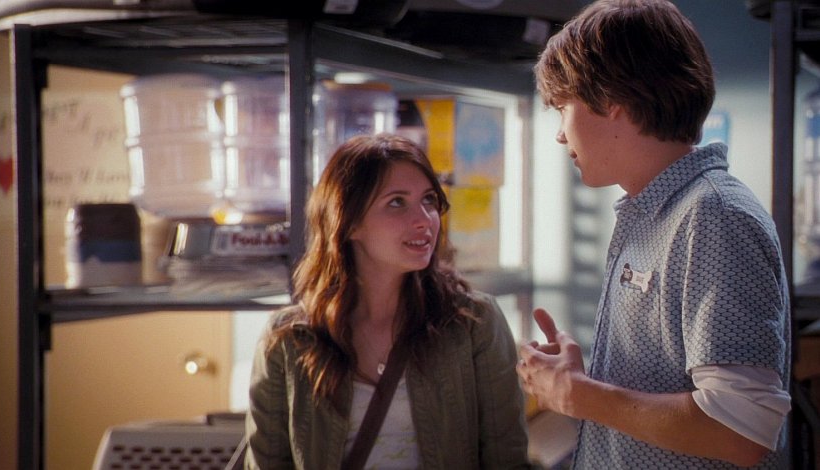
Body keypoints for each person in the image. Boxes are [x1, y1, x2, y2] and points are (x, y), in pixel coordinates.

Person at [516, 1, 792, 468]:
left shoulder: (713, 216)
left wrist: (579, 395)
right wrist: (583, 383)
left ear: (611, 101)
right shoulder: (655, 212)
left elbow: (741, 430)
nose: (561, 134)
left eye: (563, 107)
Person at [245, 133, 530, 469]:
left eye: (429, 200)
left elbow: (506, 460)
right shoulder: (290, 339)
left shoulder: (473, 324)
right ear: (348, 222)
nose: (424, 219)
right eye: (397, 202)